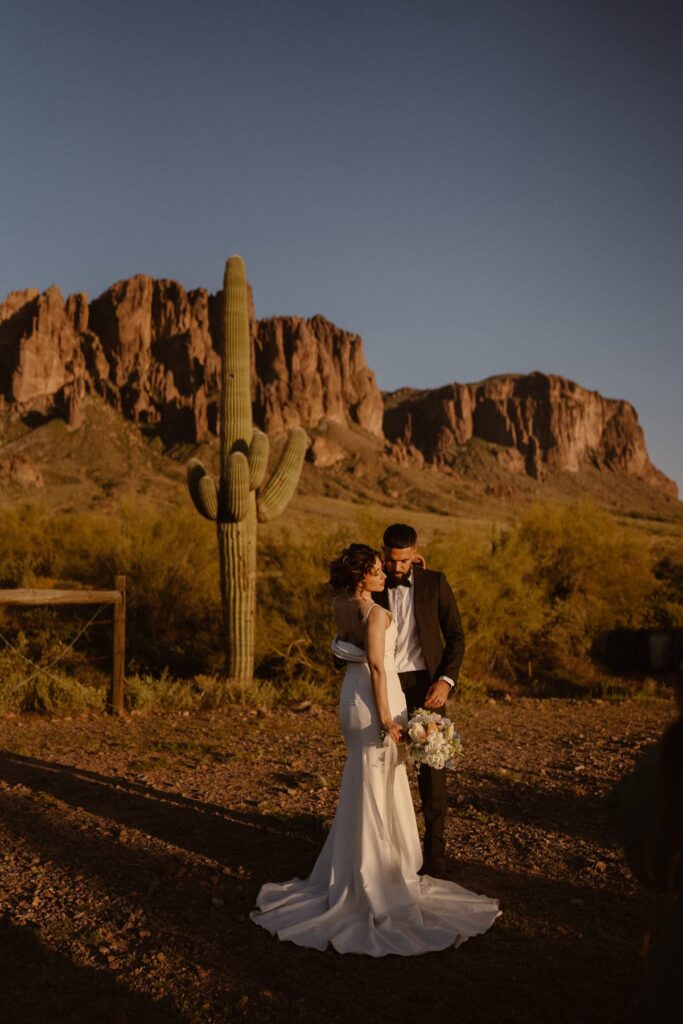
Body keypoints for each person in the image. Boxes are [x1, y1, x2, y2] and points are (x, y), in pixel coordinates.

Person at [250, 543, 500, 956]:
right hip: (376, 701)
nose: (384, 574)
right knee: (381, 779)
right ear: (360, 576)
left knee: (363, 776)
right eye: (377, 571)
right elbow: (381, 668)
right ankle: (378, 873)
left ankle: (353, 864)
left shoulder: (342, 605)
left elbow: (348, 648)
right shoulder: (378, 613)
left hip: (351, 698)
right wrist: (387, 718)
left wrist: (415, 566)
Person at [373, 523, 465, 878]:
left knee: (433, 768)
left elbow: (456, 636)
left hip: (427, 686)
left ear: (415, 554)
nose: (396, 569)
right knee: (382, 762)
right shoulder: (374, 583)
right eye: (391, 561)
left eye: (403, 561)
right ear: (384, 554)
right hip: (384, 685)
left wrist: (445, 680)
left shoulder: (434, 583)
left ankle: (435, 851)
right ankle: (385, 847)